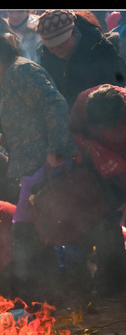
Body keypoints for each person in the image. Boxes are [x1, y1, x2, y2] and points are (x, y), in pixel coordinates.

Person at [0, 30, 78, 303]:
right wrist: (3, 139)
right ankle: (47, 295)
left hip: (43, 164)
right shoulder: (13, 75)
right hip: (31, 164)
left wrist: (55, 150)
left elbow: (55, 106)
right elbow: (29, 117)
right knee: (38, 231)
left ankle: (37, 296)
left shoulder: (22, 72)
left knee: (28, 233)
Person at [68, 84, 126, 297]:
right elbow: (71, 133)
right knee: (105, 221)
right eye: (98, 126)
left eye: (107, 126)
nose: (103, 131)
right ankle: (111, 282)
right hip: (94, 168)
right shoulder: (83, 103)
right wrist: (90, 148)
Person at [36, 9, 126, 106]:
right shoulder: (46, 55)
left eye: (60, 45)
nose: (57, 51)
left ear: (73, 33)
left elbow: (116, 89)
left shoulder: (99, 48)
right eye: (51, 48)